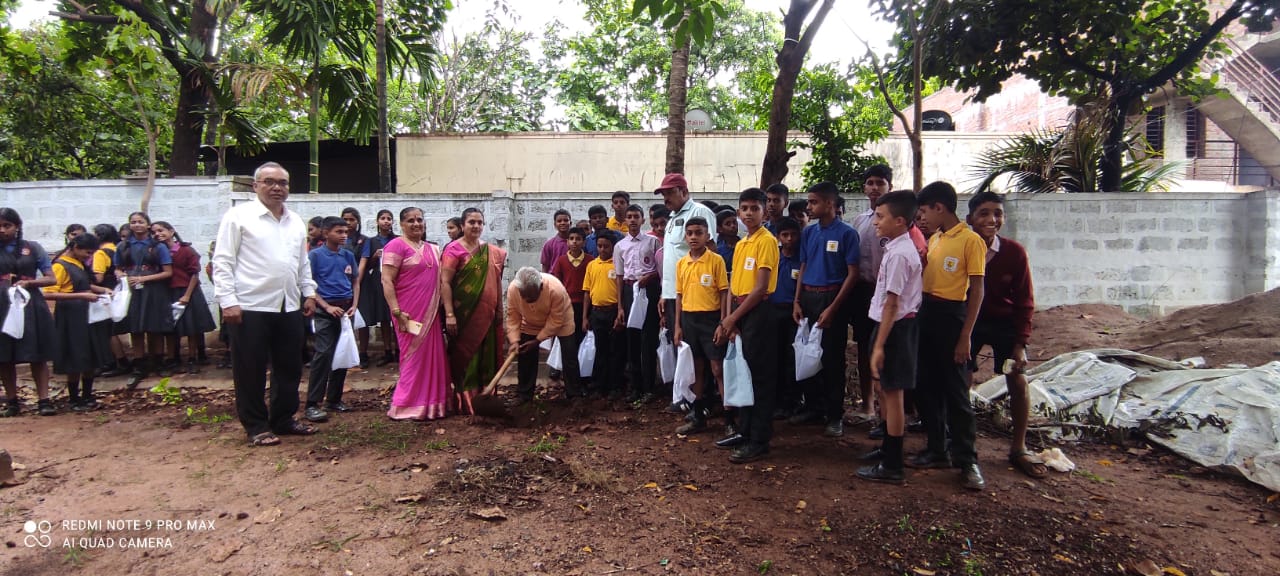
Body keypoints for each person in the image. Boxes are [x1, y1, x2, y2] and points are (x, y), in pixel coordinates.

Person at [212, 162, 319, 446]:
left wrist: (308, 292)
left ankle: (283, 419)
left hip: (288, 305)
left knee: (290, 366)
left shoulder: (294, 220)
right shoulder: (239, 216)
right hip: (249, 305)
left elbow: (301, 261)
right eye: (269, 182)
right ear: (256, 185)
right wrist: (228, 301)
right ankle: (256, 426)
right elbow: (222, 261)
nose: (277, 188)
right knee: (251, 369)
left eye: (282, 183)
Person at [910, 181, 987, 491]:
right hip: (926, 313)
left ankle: (967, 460)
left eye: (925, 211)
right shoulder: (937, 239)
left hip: (952, 317)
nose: (922, 218)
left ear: (940, 208)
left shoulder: (971, 241)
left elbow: (978, 290)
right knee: (925, 385)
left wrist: (965, 335)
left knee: (955, 391)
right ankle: (936, 448)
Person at [966, 192, 1042, 479]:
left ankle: (1018, 446)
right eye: (983, 213)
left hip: (1004, 323)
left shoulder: (1014, 252)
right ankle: (965, 447)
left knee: (1018, 379)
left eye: (997, 213)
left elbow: (1025, 300)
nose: (991, 219)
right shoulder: (962, 248)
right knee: (963, 378)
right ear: (970, 219)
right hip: (969, 322)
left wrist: (1020, 344)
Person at [856, 191, 923, 484]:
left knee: (893, 395)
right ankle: (886, 449)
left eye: (881, 217)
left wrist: (880, 345)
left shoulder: (900, 254)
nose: (875, 222)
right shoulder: (895, 247)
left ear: (900, 220)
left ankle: (894, 463)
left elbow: (893, 303)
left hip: (895, 329)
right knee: (884, 389)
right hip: (885, 326)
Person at [790, 182, 859, 438]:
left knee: (831, 358)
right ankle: (813, 406)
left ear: (830, 204)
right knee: (806, 353)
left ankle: (834, 414)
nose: (809, 207)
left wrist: (833, 307)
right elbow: (803, 265)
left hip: (832, 298)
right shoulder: (808, 232)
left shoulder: (847, 233)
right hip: (808, 296)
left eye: (813, 202)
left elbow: (852, 274)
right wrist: (797, 300)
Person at [715, 188, 779, 463]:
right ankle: (745, 430)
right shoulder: (742, 243)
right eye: (745, 208)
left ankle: (759, 439)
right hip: (741, 311)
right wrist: (730, 317)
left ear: (765, 211)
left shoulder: (766, 241)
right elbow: (733, 286)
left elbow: (760, 288)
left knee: (760, 377)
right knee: (745, 373)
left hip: (759, 311)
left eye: (755, 208)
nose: (749, 213)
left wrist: (733, 317)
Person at [382, 208, 451, 420]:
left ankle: (433, 405)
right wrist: (396, 311)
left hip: (431, 316)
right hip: (407, 315)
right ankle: (407, 405)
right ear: (401, 224)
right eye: (410, 220)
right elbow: (387, 280)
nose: (416, 224)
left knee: (433, 358)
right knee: (413, 358)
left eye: (420, 219)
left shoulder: (433, 249)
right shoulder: (395, 245)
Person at [441, 208, 507, 414]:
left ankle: (486, 396)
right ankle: (466, 401)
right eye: (471, 222)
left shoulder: (491, 252)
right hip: (463, 316)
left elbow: (496, 281)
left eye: (480, 222)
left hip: (487, 316)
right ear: (462, 225)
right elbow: (444, 283)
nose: (476, 226)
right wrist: (449, 314)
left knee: (486, 356)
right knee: (466, 357)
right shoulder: (453, 250)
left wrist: (499, 310)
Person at [673, 216, 729, 435]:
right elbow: (679, 296)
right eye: (690, 233)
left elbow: (724, 292)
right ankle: (697, 417)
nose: (694, 237)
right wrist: (677, 325)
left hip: (711, 319)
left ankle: (729, 419)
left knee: (717, 369)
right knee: (695, 370)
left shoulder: (716, 260)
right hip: (689, 319)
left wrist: (723, 322)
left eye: (699, 232)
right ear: (685, 237)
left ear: (707, 236)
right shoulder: (681, 263)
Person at [46, 233, 113, 412]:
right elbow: (49, 293)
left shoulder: (78, 263)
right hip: (71, 315)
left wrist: (102, 290)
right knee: (75, 356)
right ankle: (74, 398)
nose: (89, 257)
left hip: (87, 312)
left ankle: (88, 395)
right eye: (87, 252)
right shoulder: (60, 265)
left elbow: (85, 284)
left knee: (88, 354)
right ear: (75, 247)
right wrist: (81, 296)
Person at [0, 208, 58, 417]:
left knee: (37, 354)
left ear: (17, 226)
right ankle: (12, 402)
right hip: (1, 306)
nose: (2, 230)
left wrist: (30, 282)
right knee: (4, 356)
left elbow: (52, 279)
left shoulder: (32, 248)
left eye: (7, 225)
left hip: (30, 305)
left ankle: (44, 400)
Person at [849, 165, 894, 424]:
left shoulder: (897, 222)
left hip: (889, 293)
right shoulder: (860, 221)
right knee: (865, 347)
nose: (874, 187)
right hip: (863, 292)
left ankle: (891, 409)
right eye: (870, 182)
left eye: (880, 183)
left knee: (887, 348)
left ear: (889, 186)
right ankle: (867, 405)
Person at [303, 216, 359, 423]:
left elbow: (355, 281)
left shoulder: (348, 255)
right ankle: (312, 403)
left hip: (346, 311)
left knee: (342, 351)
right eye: (339, 232)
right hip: (325, 310)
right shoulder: (315, 256)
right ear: (326, 234)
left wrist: (355, 304)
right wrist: (326, 306)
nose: (344, 236)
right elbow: (309, 284)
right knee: (324, 352)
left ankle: (334, 399)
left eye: (346, 232)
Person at [116, 211, 174, 389]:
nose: (136, 225)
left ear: (148, 225)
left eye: (140, 221)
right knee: (136, 327)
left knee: (154, 326)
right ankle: (139, 364)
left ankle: (158, 361)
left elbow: (167, 272)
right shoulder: (123, 246)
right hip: (132, 291)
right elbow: (117, 268)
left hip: (154, 289)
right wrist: (122, 276)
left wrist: (143, 279)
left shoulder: (158, 246)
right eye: (133, 222)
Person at [505, 267, 580, 405]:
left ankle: (574, 394)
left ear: (540, 287)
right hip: (530, 322)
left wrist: (537, 340)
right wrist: (514, 341)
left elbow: (556, 321)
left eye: (531, 297)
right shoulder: (512, 290)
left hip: (562, 320)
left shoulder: (555, 289)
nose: (527, 300)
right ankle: (524, 395)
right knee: (525, 355)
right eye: (524, 296)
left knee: (569, 355)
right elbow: (513, 317)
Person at [152, 221, 216, 374]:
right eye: (154, 232)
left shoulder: (186, 250)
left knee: (191, 327)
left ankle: (193, 357)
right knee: (172, 328)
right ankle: (173, 357)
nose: (157, 234)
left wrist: (187, 295)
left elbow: (194, 273)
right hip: (167, 292)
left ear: (172, 231)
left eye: (161, 230)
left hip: (188, 290)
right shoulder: (156, 251)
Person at [615, 205, 661, 405]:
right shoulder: (620, 246)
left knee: (648, 338)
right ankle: (636, 387)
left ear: (643, 220)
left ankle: (650, 387)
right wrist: (620, 306)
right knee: (631, 338)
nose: (633, 220)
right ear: (625, 220)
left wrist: (648, 277)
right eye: (629, 217)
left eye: (636, 217)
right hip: (628, 291)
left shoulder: (653, 242)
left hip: (648, 291)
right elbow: (618, 276)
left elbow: (660, 271)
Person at [549, 227, 593, 396]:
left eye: (578, 239)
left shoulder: (590, 260)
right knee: (569, 348)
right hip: (566, 308)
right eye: (571, 238)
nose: (574, 241)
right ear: (567, 242)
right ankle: (570, 387)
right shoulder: (561, 261)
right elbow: (556, 284)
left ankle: (584, 383)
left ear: (584, 241)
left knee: (585, 346)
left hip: (585, 307)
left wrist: (586, 314)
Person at [582, 230, 624, 399]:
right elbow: (587, 292)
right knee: (600, 350)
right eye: (599, 246)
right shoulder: (592, 265)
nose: (602, 249)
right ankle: (600, 385)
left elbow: (622, 290)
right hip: (597, 313)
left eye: (606, 246)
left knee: (616, 351)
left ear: (613, 247)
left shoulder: (617, 264)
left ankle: (615, 386)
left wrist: (620, 311)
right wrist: (585, 317)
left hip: (613, 311)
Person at [768, 217, 802, 420]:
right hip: (773, 311)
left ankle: (794, 401)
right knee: (776, 357)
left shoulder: (801, 259)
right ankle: (778, 400)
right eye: (785, 235)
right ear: (778, 237)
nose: (789, 239)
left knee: (792, 358)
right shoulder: (774, 258)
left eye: (793, 235)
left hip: (794, 313)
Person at [358, 209, 398, 367]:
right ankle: (386, 351)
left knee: (395, 317)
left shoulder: (397, 240)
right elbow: (366, 263)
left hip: (396, 282)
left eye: (389, 218)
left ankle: (398, 350)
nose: (386, 221)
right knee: (383, 317)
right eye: (383, 218)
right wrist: (375, 257)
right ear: (377, 221)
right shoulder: (371, 241)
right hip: (377, 282)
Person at [90, 223, 130, 378]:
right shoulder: (116, 248)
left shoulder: (100, 253)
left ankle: (118, 361)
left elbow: (98, 276)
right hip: (117, 290)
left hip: (105, 292)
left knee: (107, 331)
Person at [340, 207, 372, 368]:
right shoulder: (339, 240)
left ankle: (363, 353)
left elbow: (363, 262)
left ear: (358, 221)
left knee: (362, 320)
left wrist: (355, 280)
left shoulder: (364, 240)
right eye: (345, 219)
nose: (348, 223)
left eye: (351, 219)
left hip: (361, 284)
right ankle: (345, 353)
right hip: (340, 284)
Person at [715, 209, 739, 279]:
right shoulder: (717, 249)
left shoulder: (745, 244)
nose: (733, 226)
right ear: (719, 229)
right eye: (728, 224)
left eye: (734, 222)